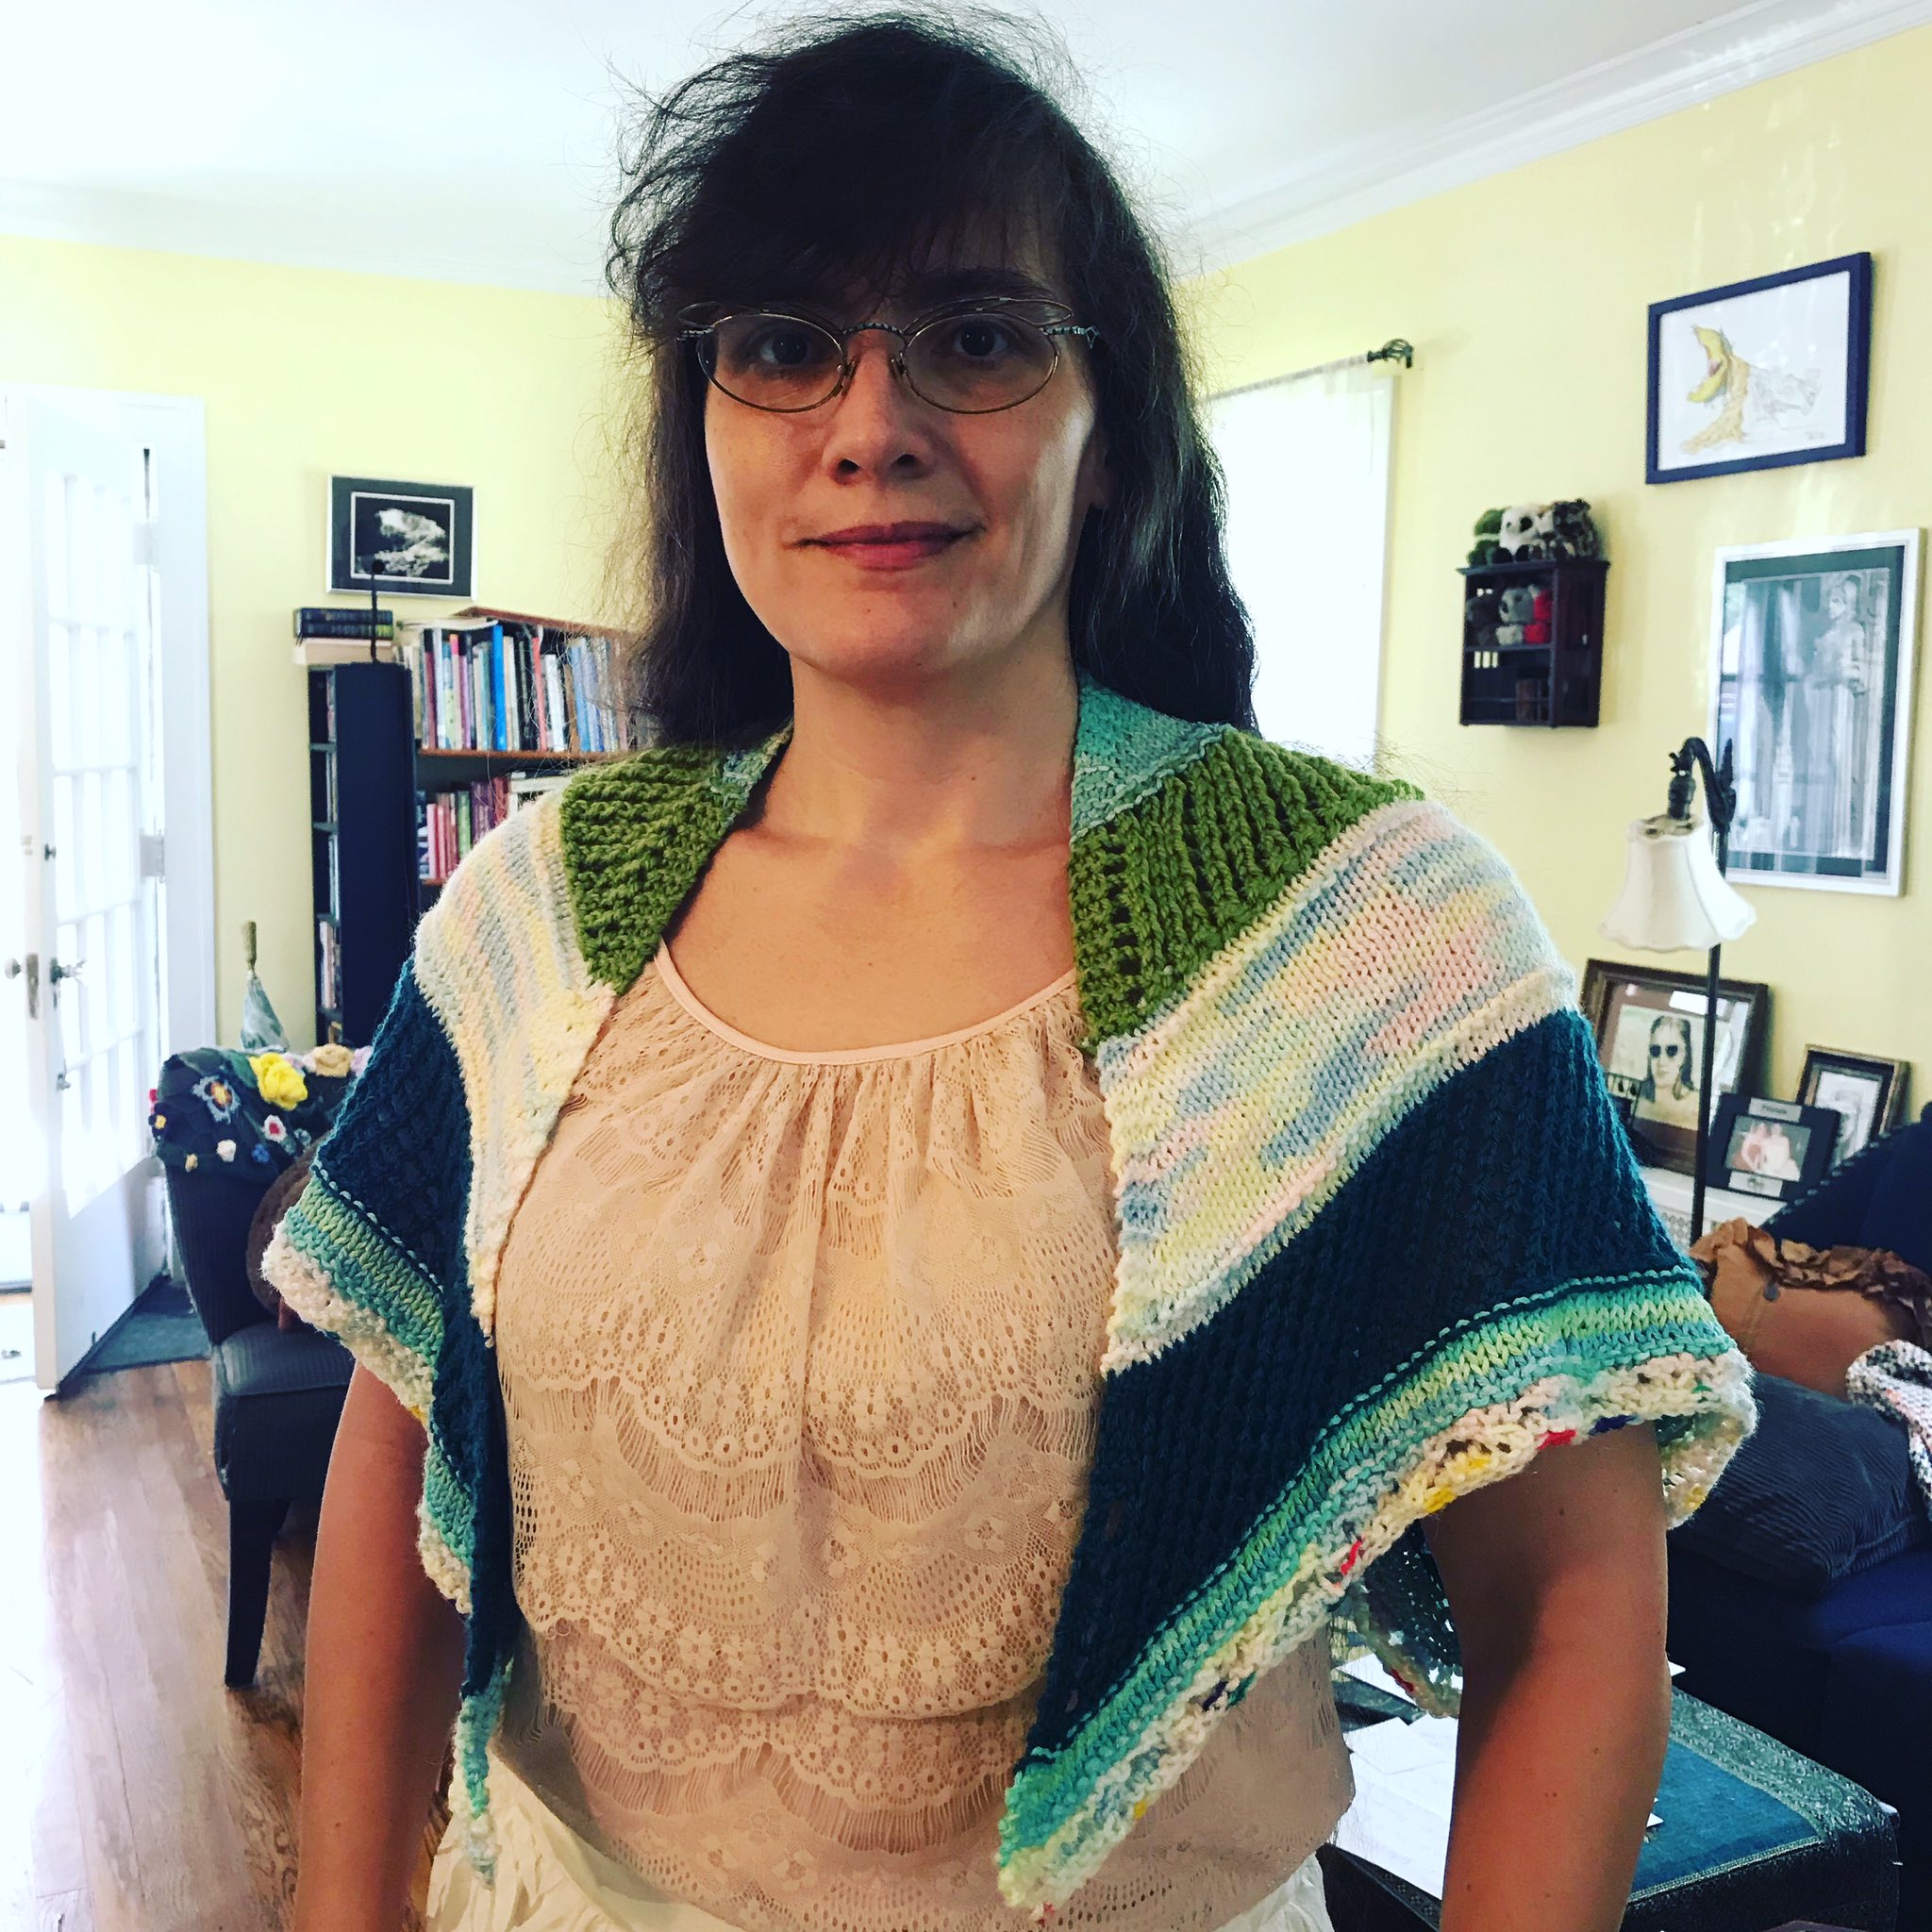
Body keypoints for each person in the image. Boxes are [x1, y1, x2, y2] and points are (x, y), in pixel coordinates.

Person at [269, 16, 1755, 1932]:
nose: (868, 422)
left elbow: (1567, 1602)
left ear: (1108, 421)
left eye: (973, 336)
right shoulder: (536, 909)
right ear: (701, 417)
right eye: (782, 345)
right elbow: (400, 1429)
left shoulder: (1370, 940)